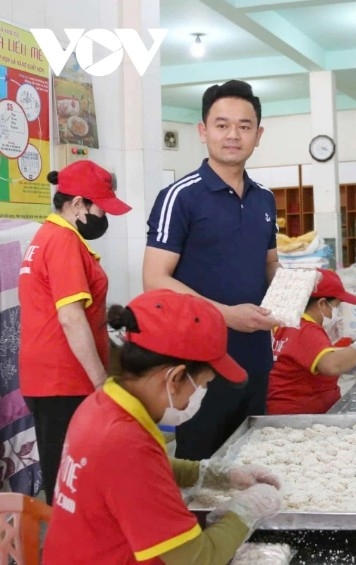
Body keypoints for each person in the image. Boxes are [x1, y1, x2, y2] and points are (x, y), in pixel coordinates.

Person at [42, 289, 283, 564]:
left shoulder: (101, 404)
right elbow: (197, 559)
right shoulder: (125, 444)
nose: (201, 394)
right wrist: (246, 510)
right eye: (203, 384)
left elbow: (149, 469)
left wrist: (217, 475)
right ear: (175, 379)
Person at [143, 80, 279, 460]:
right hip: (198, 366)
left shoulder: (264, 198)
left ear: (258, 135)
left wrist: (295, 289)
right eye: (222, 125)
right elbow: (154, 279)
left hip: (256, 357)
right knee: (201, 467)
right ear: (203, 131)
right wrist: (227, 316)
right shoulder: (180, 197)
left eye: (244, 126)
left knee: (251, 459)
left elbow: (269, 263)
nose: (233, 135)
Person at [18, 160, 131, 504]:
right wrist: (100, 381)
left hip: (49, 377)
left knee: (67, 474)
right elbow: (70, 318)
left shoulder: (47, 237)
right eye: (101, 208)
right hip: (64, 380)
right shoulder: (63, 241)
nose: (104, 217)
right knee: (69, 482)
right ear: (78, 204)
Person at [266, 269, 356, 414]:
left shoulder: (288, 324)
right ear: (322, 304)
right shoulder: (307, 330)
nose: (338, 313)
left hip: (284, 409)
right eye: (337, 306)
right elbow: (331, 365)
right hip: (299, 415)